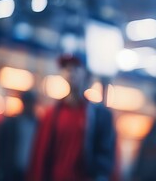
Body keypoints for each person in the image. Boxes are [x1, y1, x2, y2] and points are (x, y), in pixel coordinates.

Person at [27, 53, 116, 181]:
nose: (70, 72)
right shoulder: (51, 115)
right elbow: (39, 157)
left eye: (75, 67)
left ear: (85, 73)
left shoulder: (99, 116)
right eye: (66, 68)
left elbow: (105, 158)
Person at [0, 91, 39, 181]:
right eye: (27, 102)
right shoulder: (11, 123)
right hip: (12, 170)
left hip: (29, 171)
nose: (29, 105)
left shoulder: (38, 125)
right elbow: (0, 145)